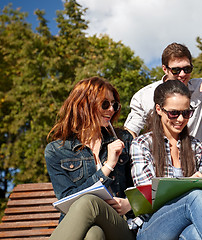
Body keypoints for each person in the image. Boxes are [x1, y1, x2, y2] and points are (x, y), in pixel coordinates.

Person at [130, 80, 202, 240]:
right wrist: (187, 185)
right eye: (173, 113)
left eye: (186, 113)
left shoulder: (197, 147)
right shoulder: (142, 144)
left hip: (189, 225)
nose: (180, 119)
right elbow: (147, 196)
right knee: (196, 195)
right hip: (152, 226)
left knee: (195, 234)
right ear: (159, 109)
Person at [45, 77, 135, 240]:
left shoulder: (124, 139)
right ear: (84, 105)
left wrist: (129, 203)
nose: (111, 110)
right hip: (83, 228)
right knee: (94, 234)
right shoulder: (57, 150)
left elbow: (142, 187)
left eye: (114, 104)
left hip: (119, 226)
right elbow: (67, 200)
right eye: (105, 104)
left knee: (89, 202)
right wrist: (108, 167)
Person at [124, 42, 202, 142]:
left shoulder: (200, 87)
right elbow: (131, 131)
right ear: (165, 69)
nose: (182, 74)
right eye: (176, 70)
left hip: (199, 156)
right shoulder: (145, 96)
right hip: (162, 156)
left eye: (187, 69)